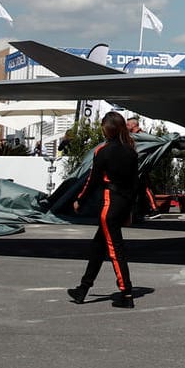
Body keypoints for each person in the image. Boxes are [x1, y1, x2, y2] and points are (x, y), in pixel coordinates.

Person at [68, 111, 139, 309]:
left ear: (107, 129)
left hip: (110, 204)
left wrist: (80, 200)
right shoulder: (131, 151)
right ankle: (82, 289)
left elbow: (92, 181)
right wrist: (130, 209)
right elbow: (136, 183)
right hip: (124, 202)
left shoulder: (103, 151)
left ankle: (126, 293)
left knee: (115, 250)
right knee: (98, 247)